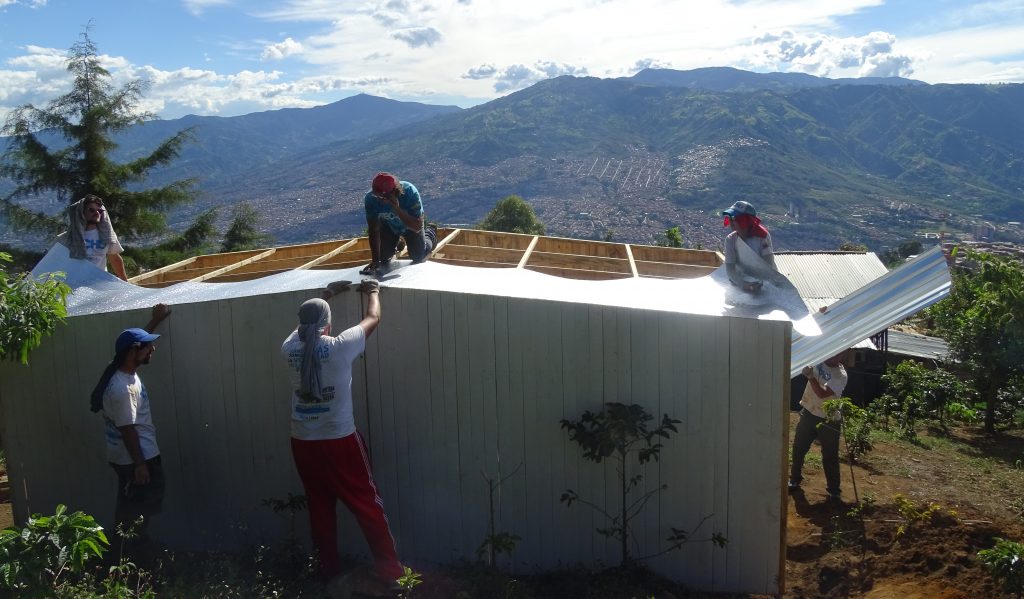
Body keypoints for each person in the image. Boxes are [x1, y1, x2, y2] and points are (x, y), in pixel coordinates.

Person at [281, 279, 403, 589]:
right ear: (328, 323)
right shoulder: (339, 347)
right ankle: (391, 572)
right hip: (339, 441)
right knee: (366, 503)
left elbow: (305, 326)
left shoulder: (289, 348)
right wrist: (373, 291)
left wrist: (325, 295)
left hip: (302, 442)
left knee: (320, 506)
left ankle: (327, 572)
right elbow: (373, 317)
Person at [90, 304, 171, 558]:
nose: (152, 349)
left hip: (130, 457)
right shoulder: (121, 389)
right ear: (133, 352)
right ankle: (129, 556)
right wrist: (140, 465)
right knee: (136, 511)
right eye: (147, 346)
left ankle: (129, 552)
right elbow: (127, 430)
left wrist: (154, 321)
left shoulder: (121, 369)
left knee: (133, 507)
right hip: (135, 458)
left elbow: (134, 343)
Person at [789, 351, 849, 501]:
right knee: (798, 448)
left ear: (842, 356)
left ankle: (834, 490)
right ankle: (794, 479)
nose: (834, 357)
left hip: (829, 419)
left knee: (830, 455)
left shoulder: (840, 375)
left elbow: (822, 394)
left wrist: (810, 377)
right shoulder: (818, 359)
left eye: (839, 355)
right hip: (809, 412)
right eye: (833, 353)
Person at [361, 172, 436, 275]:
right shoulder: (370, 198)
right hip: (389, 227)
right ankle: (398, 241)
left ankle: (430, 232)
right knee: (383, 259)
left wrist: (397, 209)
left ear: (393, 193)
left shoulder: (410, 192)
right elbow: (373, 229)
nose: (378, 199)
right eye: (375, 195)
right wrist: (375, 260)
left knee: (418, 257)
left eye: (382, 198)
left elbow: (417, 227)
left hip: (411, 226)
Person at [63, 194, 127, 280]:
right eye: (91, 210)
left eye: (100, 211)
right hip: (75, 283)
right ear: (81, 212)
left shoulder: (107, 235)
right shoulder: (68, 238)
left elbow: (115, 259)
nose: (97, 213)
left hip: (98, 283)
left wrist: (126, 283)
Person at [720, 200, 774, 293]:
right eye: (730, 218)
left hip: (763, 281)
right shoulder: (731, 239)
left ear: (746, 221)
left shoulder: (762, 237)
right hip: (741, 280)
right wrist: (743, 284)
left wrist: (759, 284)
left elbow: (768, 265)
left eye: (735, 218)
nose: (731, 222)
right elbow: (730, 269)